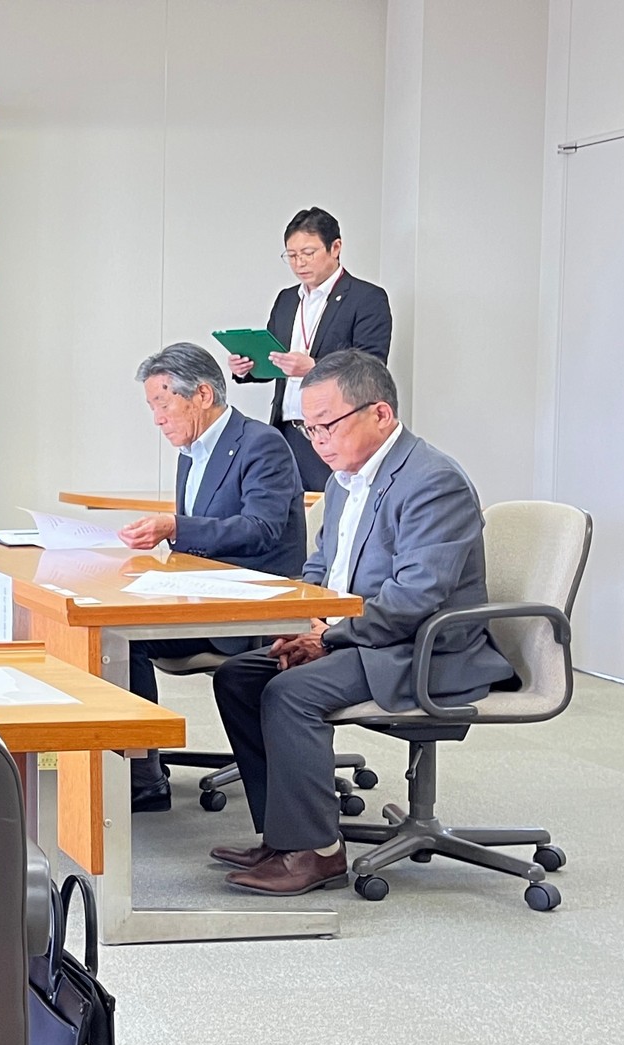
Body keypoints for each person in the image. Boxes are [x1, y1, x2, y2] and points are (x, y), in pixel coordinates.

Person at [210, 350, 512, 896]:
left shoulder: (432, 481)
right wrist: (310, 623)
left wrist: (328, 636)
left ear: (381, 414)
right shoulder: (343, 480)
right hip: (359, 638)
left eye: (327, 425)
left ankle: (317, 851)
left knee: (290, 693)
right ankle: (282, 837)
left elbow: (415, 598)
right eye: (309, 428)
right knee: (239, 677)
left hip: (422, 648)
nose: (317, 441)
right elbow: (320, 567)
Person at [116, 343, 306, 812]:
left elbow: (261, 529)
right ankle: (137, 767)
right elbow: (199, 539)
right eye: (151, 407)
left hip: (249, 608)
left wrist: (175, 527)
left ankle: (142, 779)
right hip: (201, 595)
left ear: (202, 394)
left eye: (162, 404)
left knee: (121, 639)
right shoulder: (191, 451)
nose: (157, 419)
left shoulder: (261, 443)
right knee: (110, 634)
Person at [227, 207, 393, 492]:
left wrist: (315, 367)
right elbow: (276, 357)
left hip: (335, 431)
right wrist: (247, 367)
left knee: (328, 509)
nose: (299, 263)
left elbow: (372, 367)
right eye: (291, 255)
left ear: (335, 248)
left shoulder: (367, 298)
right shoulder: (287, 299)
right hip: (285, 431)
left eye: (308, 253)